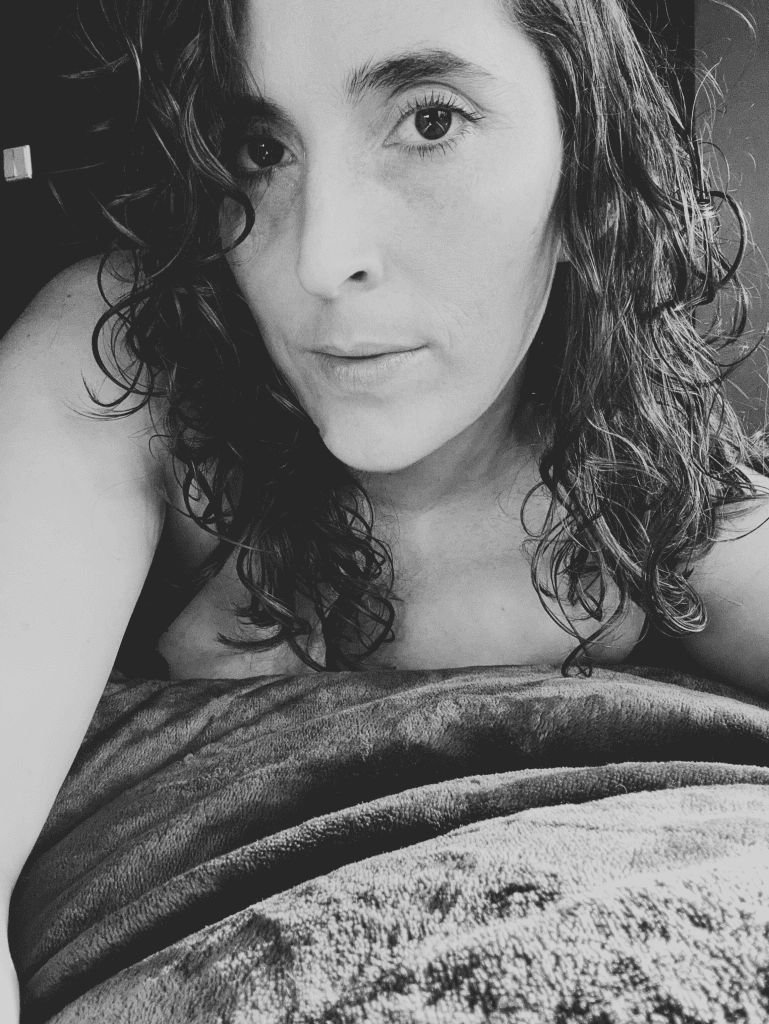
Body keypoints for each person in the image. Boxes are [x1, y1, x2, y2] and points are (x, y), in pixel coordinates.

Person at [2, 0, 769, 1016]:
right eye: (261, 148)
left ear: (583, 171)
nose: (320, 258)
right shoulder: (129, 360)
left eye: (429, 122)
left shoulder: (662, 510)